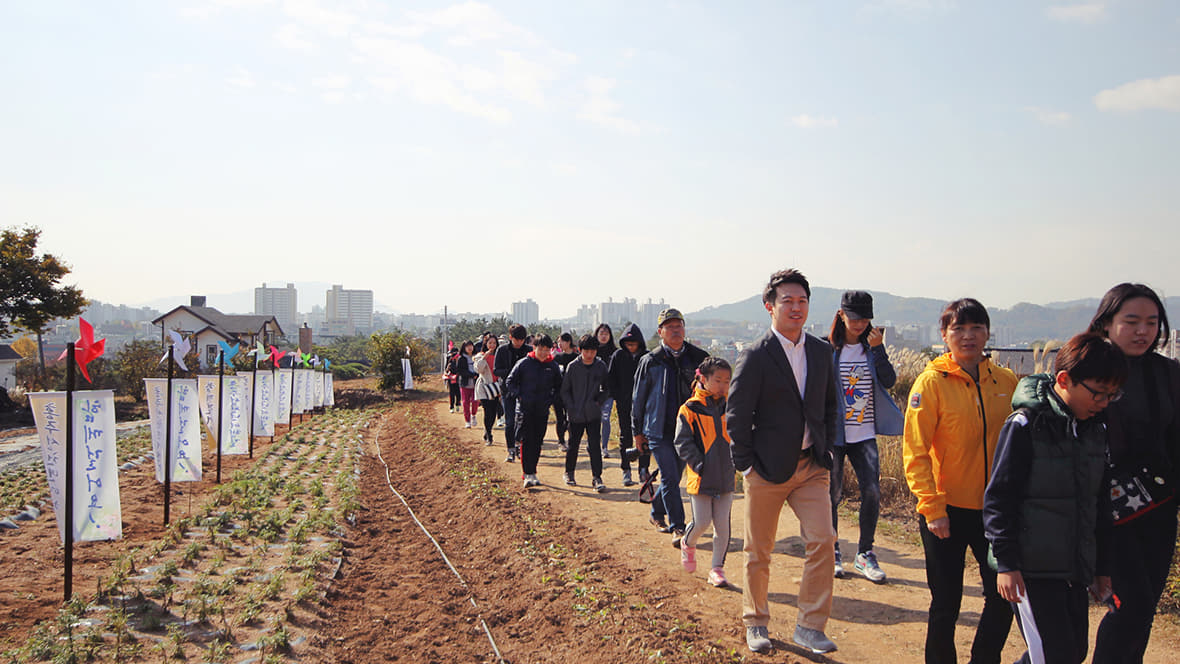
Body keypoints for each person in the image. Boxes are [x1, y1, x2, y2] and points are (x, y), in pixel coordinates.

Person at [984, 332, 1126, 664]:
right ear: (1064, 380)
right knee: (1054, 655)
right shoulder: (1025, 426)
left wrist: (1100, 567)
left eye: (1112, 395)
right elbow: (999, 499)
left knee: (1072, 652)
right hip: (1030, 569)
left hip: (1072, 568)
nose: (1104, 403)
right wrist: (1007, 564)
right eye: (1098, 393)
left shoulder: (1095, 430)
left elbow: (1099, 505)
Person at [727, 269, 840, 655]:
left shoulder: (822, 352)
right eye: (787, 301)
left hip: (811, 467)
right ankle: (756, 621)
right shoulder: (756, 355)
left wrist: (828, 452)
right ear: (769, 307)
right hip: (766, 468)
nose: (796, 308)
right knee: (759, 550)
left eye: (802, 301)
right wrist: (746, 465)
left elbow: (830, 406)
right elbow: (737, 414)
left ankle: (810, 625)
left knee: (824, 540)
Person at [904, 297, 1018, 664]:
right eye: (959, 329)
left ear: (987, 333)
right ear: (944, 335)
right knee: (946, 602)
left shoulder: (1007, 381)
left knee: (1003, 597)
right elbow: (915, 451)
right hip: (946, 511)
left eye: (976, 328)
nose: (968, 336)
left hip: (996, 512)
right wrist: (932, 508)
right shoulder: (931, 383)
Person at [1088, 283, 1179, 663]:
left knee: (1145, 610)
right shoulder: (1085, 369)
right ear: (1107, 323)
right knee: (1131, 606)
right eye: (1131, 321)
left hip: (1159, 509)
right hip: (1105, 513)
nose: (1144, 331)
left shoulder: (1170, 374)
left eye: (1152, 322)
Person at [827, 291, 903, 583]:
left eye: (865, 319)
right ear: (841, 315)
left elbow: (889, 381)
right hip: (835, 434)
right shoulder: (828, 349)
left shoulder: (871, 349)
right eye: (854, 317)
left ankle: (864, 553)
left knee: (871, 491)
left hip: (865, 433)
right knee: (831, 495)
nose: (859, 324)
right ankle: (832, 549)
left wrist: (879, 349)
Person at [633, 308, 709, 540]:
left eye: (679, 326)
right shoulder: (650, 361)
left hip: (687, 430)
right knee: (669, 477)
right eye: (670, 327)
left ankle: (656, 511)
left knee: (673, 477)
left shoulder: (698, 358)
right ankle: (678, 527)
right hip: (658, 429)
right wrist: (637, 432)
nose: (676, 331)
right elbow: (638, 399)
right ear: (660, 332)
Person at [674, 357, 735, 588]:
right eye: (718, 380)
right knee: (701, 523)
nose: (722, 385)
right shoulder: (689, 409)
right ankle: (688, 543)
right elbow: (682, 442)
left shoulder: (731, 406)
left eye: (727, 381)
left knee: (722, 526)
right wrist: (699, 464)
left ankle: (717, 569)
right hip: (700, 477)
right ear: (703, 378)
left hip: (726, 476)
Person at [505, 334, 562, 488]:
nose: (543, 352)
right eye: (540, 349)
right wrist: (520, 396)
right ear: (534, 348)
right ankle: (527, 473)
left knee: (537, 442)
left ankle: (533, 472)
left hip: (542, 410)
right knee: (527, 441)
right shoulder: (524, 363)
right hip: (525, 410)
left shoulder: (553, 366)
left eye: (547, 350)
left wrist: (551, 399)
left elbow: (559, 386)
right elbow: (510, 381)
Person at [560, 334, 609, 492]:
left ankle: (597, 477)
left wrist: (599, 402)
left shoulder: (600, 366)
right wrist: (571, 407)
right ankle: (569, 472)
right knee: (573, 445)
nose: (589, 354)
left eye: (593, 351)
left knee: (595, 445)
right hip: (576, 414)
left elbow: (607, 388)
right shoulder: (573, 367)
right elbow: (565, 390)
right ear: (580, 350)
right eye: (586, 351)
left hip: (593, 413)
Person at [609, 323, 649, 486]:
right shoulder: (618, 356)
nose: (631, 347)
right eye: (628, 344)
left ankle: (643, 470)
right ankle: (626, 470)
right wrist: (617, 396)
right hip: (624, 403)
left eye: (634, 344)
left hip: (644, 404)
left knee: (645, 437)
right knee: (625, 436)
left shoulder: (647, 357)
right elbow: (611, 378)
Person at [495, 324, 533, 462]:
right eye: (517, 339)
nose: (519, 343)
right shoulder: (502, 350)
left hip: (524, 391)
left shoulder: (529, 351)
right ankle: (510, 450)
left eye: (522, 340)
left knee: (523, 421)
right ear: (510, 337)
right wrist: (513, 371)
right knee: (510, 421)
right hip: (507, 391)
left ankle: (519, 446)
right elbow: (496, 370)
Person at [595, 324, 619, 459]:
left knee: (605, 418)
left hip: (609, 391)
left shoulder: (615, 352)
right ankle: (593, 444)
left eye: (606, 333)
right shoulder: (591, 350)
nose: (604, 336)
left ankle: (604, 447)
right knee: (594, 419)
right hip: (593, 391)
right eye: (601, 333)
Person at [552, 332, 579, 452]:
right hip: (558, 392)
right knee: (560, 417)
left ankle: (570, 440)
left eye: (561, 341)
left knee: (570, 418)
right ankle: (561, 441)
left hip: (572, 393)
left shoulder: (577, 358)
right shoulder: (557, 358)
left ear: (568, 342)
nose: (559, 344)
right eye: (558, 342)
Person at [474, 335, 501, 445]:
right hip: (484, 387)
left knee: (493, 412)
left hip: (495, 387)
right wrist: (485, 356)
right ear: (485, 344)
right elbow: (478, 369)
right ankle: (489, 434)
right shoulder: (480, 356)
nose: (492, 345)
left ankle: (488, 430)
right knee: (487, 411)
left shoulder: (499, 355)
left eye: (494, 343)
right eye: (490, 343)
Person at [456, 341, 479, 428]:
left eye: (471, 346)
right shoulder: (461, 358)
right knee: (465, 402)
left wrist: (477, 375)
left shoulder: (477, 357)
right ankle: (467, 420)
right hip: (465, 384)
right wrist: (471, 375)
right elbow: (460, 371)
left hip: (475, 384)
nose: (470, 348)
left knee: (475, 401)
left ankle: (473, 415)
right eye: (467, 346)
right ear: (464, 348)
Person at [445, 347, 461, 413]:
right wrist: (447, 370)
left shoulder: (460, 359)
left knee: (458, 392)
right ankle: (451, 406)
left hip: (458, 378)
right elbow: (446, 368)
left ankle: (457, 404)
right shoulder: (449, 358)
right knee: (451, 392)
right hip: (450, 377)